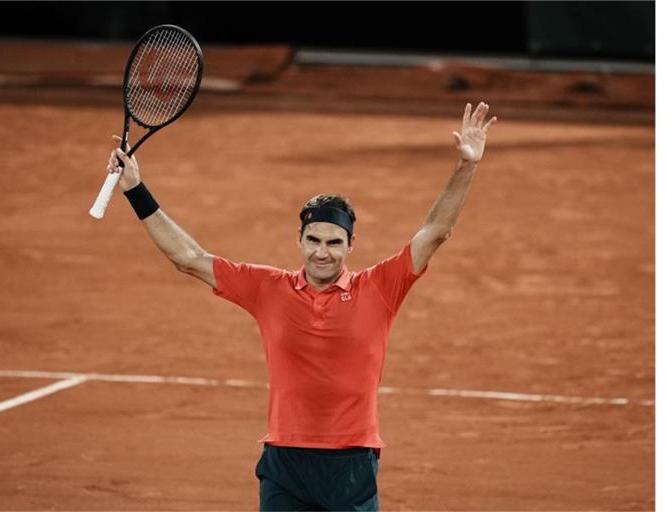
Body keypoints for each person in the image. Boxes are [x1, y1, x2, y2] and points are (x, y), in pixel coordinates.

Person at [106, 102, 497, 511]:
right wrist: (135, 189)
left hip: (351, 464)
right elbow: (188, 257)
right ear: (300, 240)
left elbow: (436, 232)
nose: (322, 253)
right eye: (313, 240)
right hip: (284, 463)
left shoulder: (378, 288)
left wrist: (466, 165)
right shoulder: (268, 288)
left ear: (350, 246)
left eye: (333, 243)